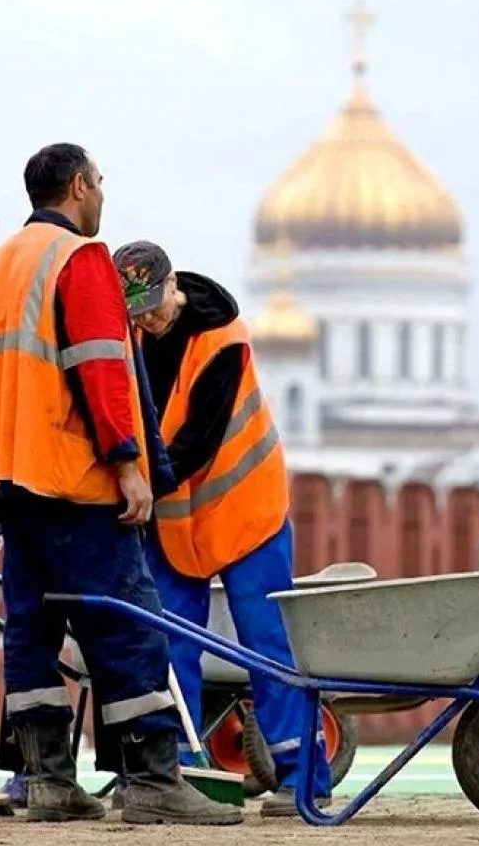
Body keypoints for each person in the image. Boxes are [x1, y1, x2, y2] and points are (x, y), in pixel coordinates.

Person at [0, 143, 242, 826]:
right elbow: (100, 368)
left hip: (5, 477)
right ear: (80, 186)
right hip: (72, 480)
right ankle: (152, 781)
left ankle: (49, 782)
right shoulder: (79, 259)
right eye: (100, 182)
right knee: (127, 625)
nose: (103, 195)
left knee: (31, 630)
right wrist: (128, 464)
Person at [110, 239, 333, 818]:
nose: (146, 321)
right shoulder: (132, 338)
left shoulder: (223, 340)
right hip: (176, 517)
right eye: (135, 313)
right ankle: (177, 774)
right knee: (168, 642)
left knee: (267, 642)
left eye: (152, 308)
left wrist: (136, 483)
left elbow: (197, 441)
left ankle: (303, 779)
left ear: (173, 285)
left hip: (245, 509)